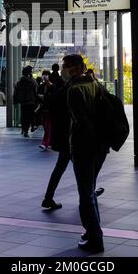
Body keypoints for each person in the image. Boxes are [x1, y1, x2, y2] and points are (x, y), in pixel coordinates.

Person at [62, 54, 108, 253]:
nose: (65, 70)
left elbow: (81, 122)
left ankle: (95, 238)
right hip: (100, 147)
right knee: (90, 190)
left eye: (68, 66)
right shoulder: (95, 84)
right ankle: (93, 232)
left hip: (84, 147)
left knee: (85, 194)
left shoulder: (74, 90)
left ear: (78, 67)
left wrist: (84, 146)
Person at [41, 81, 105, 210]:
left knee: (60, 168)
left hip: (65, 137)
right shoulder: (77, 91)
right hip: (74, 138)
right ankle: (89, 194)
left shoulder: (63, 90)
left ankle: (48, 198)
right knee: (86, 169)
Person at [14, 66, 37, 137]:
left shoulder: (19, 82)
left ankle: (23, 129)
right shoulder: (32, 81)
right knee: (30, 115)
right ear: (29, 73)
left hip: (23, 102)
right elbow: (35, 90)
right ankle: (27, 130)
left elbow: (16, 91)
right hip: (31, 101)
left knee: (24, 116)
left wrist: (16, 100)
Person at [37, 70, 54, 150]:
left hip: (50, 109)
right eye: (44, 75)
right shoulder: (41, 86)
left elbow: (52, 98)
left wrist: (44, 97)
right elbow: (37, 95)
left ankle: (45, 142)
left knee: (47, 127)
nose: (44, 77)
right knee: (46, 126)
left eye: (46, 75)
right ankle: (50, 142)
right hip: (42, 108)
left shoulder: (52, 86)